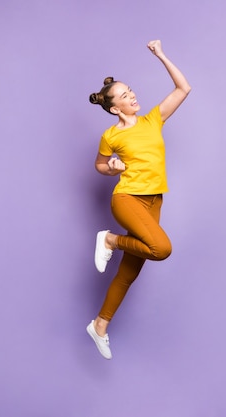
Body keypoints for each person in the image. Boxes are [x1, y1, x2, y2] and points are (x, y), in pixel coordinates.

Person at [86, 40, 191, 359]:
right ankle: (110, 240)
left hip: (154, 202)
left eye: (130, 90)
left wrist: (161, 55)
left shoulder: (153, 120)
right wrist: (111, 168)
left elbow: (183, 88)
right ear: (115, 108)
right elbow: (100, 165)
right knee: (162, 248)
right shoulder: (111, 135)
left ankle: (99, 326)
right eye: (124, 95)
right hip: (127, 198)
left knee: (129, 273)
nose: (132, 95)